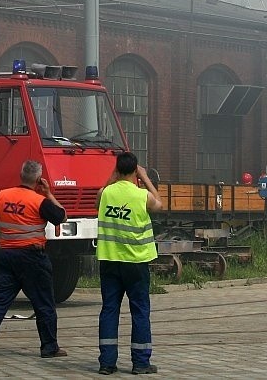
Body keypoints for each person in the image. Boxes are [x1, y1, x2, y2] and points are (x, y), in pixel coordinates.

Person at [0, 160, 68, 360]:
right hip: (33, 258)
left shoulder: (3, 195)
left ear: (21, 175)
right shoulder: (39, 201)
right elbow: (62, 217)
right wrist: (48, 193)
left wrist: (8, 237)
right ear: (38, 179)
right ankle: (49, 347)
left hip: (7, 255)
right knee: (44, 302)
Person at [95, 151, 163, 375]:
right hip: (136, 262)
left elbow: (99, 197)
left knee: (109, 310)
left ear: (116, 169)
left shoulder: (105, 193)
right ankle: (141, 363)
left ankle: (107, 363)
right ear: (135, 171)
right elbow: (159, 205)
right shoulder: (141, 195)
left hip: (110, 261)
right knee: (140, 311)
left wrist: (113, 176)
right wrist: (146, 179)